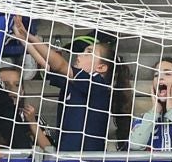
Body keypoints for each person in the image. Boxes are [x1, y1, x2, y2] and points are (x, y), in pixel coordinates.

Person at [14, 20, 118, 150]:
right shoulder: (75, 83)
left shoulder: (97, 84)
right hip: (67, 160)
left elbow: (61, 65)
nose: (79, 55)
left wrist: (29, 36)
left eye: (88, 53)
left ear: (101, 67)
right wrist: (23, 38)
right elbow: (45, 63)